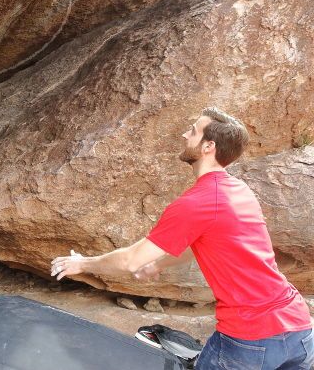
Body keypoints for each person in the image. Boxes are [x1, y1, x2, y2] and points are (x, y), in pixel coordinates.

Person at [51, 108, 313, 370]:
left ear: (209, 146)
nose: (184, 134)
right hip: (299, 328)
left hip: (250, 340)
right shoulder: (239, 191)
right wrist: (159, 265)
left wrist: (83, 264)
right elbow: (203, 241)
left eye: (193, 131)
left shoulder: (197, 202)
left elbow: (131, 260)